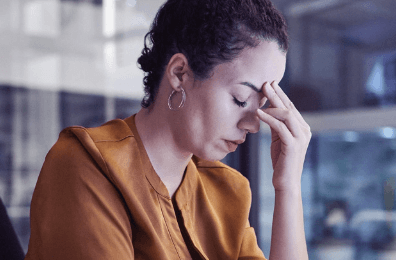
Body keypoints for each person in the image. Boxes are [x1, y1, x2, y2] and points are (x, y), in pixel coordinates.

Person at [25, 0, 311, 259]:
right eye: (241, 99)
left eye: (262, 105)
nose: (253, 124)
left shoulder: (228, 191)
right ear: (179, 73)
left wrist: (288, 188)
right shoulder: (86, 165)